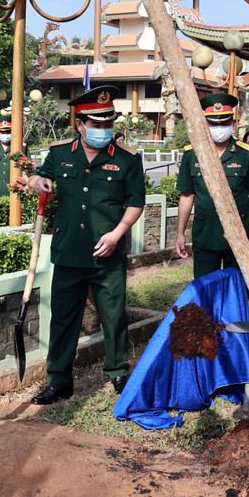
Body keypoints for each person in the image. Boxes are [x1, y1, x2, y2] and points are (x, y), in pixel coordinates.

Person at [27, 86, 145, 404]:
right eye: (96, 124)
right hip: (69, 253)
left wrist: (118, 233)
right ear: (80, 124)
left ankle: (119, 374)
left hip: (107, 254)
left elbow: (136, 203)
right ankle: (59, 381)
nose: (103, 130)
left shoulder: (128, 159)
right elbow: (36, 178)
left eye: (108, 124)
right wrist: (38, 181)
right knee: (64, 319)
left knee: (113, 316)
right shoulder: (61, 153)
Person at [174, 94, 249, 278]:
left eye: (224, 123)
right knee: (206, 292)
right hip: (205, 234)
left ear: (232, 124)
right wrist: (180, 233)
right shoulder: (192, 154)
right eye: (213, 124)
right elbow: (186, 196)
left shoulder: (247, 155)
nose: (219, 128)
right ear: (205, 124)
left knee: (237, 288)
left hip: (240, 234)